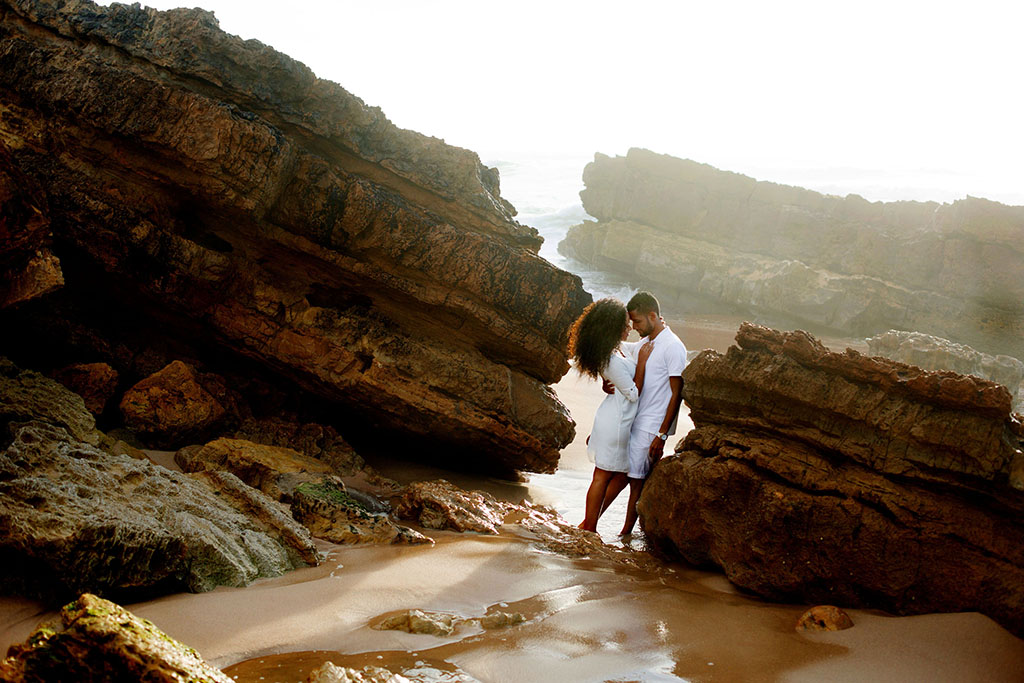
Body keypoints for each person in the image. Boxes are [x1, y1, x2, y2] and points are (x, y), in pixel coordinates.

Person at [602, 291, 687, 536]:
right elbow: (618, 359)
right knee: (620, 476)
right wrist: (606, 381)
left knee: (636, 484)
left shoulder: (673, 347)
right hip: (635, 421)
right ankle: (592, 522)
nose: (635, 327)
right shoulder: (645, 343)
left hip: (651, 426)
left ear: (653, 316)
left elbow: (676, 393)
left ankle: (624, 534)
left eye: (637, 322)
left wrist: (661, 435)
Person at [567, 298, 652, 532]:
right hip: (616, 421)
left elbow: (639, 348)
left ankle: (588, 523)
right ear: (611, 326)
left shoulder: (618, 350)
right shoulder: (610, 359)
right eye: (625, 324)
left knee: (622, 474)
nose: (629, 328)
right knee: (602, 475)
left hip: (619, 418)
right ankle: (589, 528)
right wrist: (642, 364)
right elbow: (633, 393)